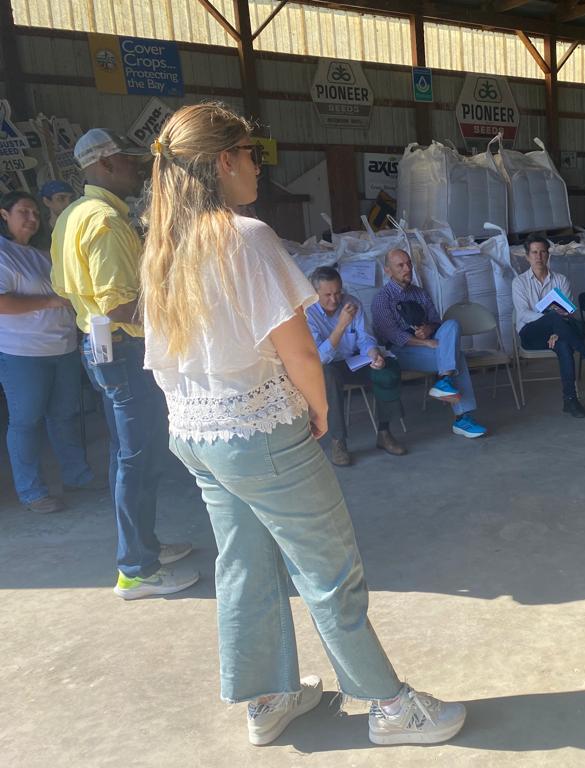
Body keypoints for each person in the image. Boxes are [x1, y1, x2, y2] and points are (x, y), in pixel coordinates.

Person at [140, 102, 465, 748]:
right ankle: (388, 704)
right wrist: (317, 410)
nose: (259, 166)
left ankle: (266, 696)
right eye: (251, 154)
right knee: (329, 568)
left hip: (198, 434)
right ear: (223, 162)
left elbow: (160, 361)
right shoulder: (245, 237)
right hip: (259, 430)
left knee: (245, 563)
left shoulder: (163, 249)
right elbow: (298, 352)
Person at [51, 128, 197, 599]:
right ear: (107, 165)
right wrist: (178, 321)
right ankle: (136, 568)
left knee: (126, 455)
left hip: (99, 350)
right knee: (140, 458)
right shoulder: (106, 222)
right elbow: (118, 305)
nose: (136, 169)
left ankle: (143, 545)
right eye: (129, 162)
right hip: (126, 351)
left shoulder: (73, 215)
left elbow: (62, 285)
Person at [0, 191, 102, 513]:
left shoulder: (43, 255)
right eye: (23, 211)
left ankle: (77, 476)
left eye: (35, 213)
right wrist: (50, 302)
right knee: (26, 421)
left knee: (63, 417)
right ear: (4, 215)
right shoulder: (3, 254)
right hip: (23, 354)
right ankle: (32, 492)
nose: (32, 217)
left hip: (63, 348)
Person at [372, 248, 487, 438]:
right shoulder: (382, 299)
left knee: (451, 325)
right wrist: (426, 343)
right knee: (457, 356)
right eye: (400, 265)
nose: (407, 268)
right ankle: (463, 418)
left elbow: (436, 321)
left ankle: (446, 380)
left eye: (408, 263)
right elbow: (393, 336)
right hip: (400, 353)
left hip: (428, 347)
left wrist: (428, 329)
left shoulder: (419, 293)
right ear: (388, 270)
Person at [305, 265, 406, 464]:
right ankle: (338, 441)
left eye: (337, 293)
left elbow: (365, 338)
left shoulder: (352, 303)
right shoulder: (308, 314)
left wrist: (373, 353)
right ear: (315, 293)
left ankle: (384, 433)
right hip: (329, 366)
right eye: (327, 295)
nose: (334, 300)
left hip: (354, 361)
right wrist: (342, 324)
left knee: (387, 370)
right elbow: (320, 358)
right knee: (328, 376)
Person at [511, 234, 585, 418]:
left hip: (558, 333)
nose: (538, 256)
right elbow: (523, 314)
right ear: (527, 257)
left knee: (564, 344)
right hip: (530, 334)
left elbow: (568, 312)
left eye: (542, 252)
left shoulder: (561, 280)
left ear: (548, 255)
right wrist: (551, 322)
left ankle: (570, 400)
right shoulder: (519, 282)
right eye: (534, 252)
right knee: (554, 317)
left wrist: (557, 330)